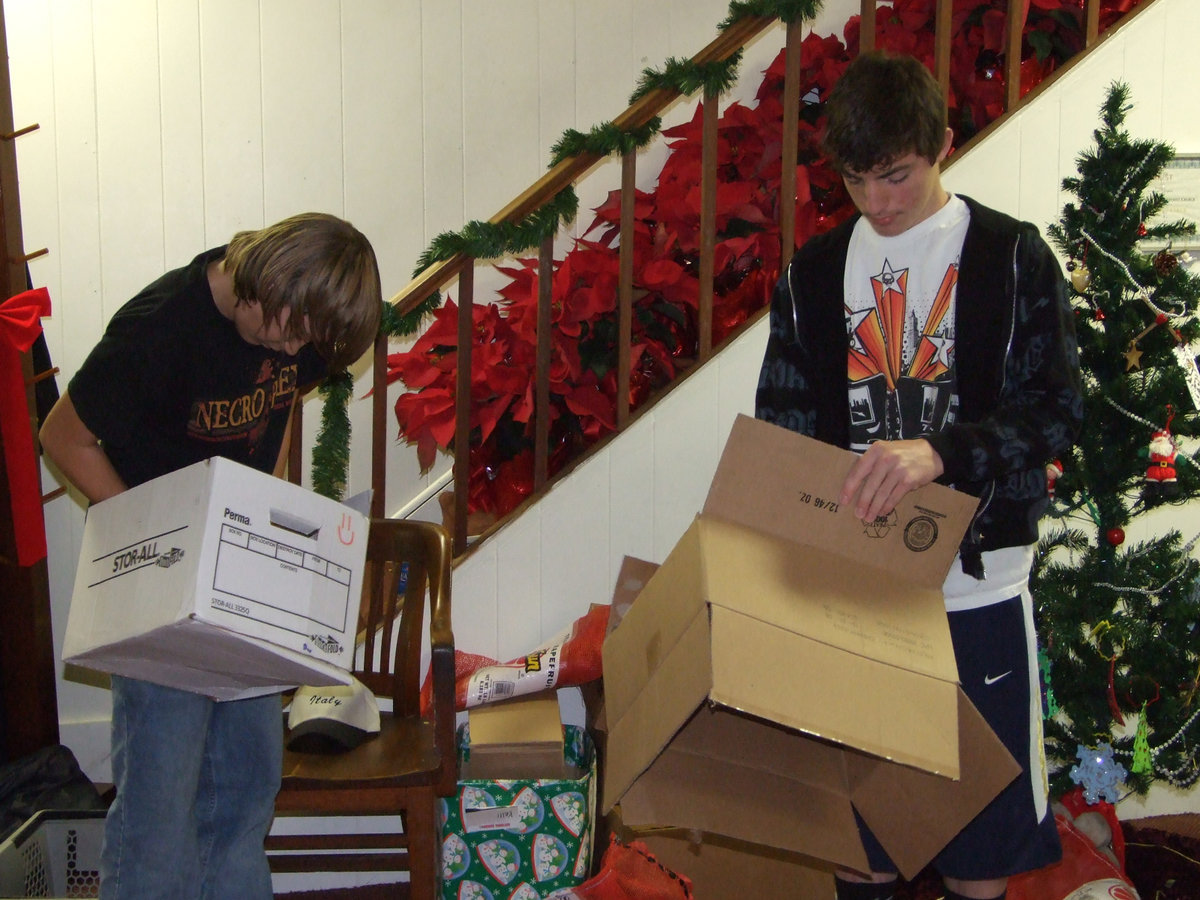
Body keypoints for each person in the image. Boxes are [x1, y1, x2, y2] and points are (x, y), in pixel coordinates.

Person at [756, 51, 1083, 900]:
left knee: (982, 854)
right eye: (858, 181)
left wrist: (943, 452)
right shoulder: (811, 276)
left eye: (897, 176)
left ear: (942, 143)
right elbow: (781, 424)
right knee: (857, 840)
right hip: (857, 596)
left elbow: (1056, 411)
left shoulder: (1012, 258)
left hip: (979, 591)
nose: (879, 204)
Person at [39, 212, 383, 899]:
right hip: (162, 591)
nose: (292, 355)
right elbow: (62, 438)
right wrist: (158, 534)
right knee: (158, 821)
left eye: (306, 346)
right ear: (265, 284)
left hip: (242, 587)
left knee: (243, 801)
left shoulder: (299, 325)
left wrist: (272, 510)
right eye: (288, 334)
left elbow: (275, 410)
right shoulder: (161, 327)